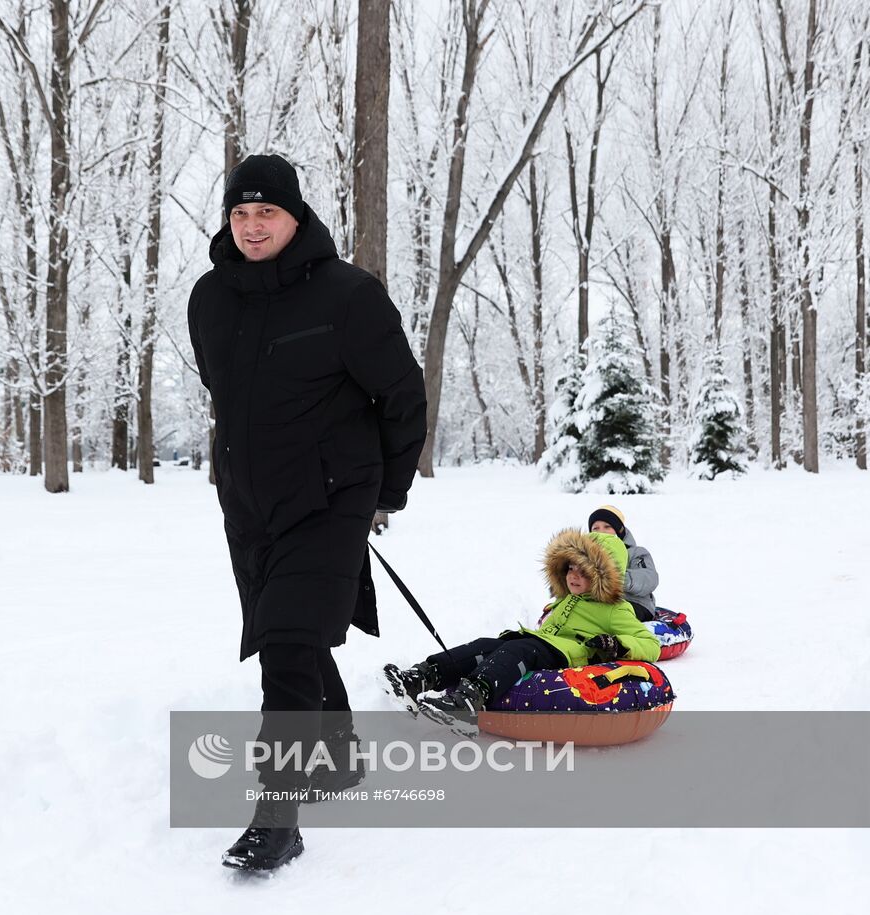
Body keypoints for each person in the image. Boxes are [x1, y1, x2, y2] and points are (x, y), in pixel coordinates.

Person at [188, 154, 427, 871]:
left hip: (332, 496)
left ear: (297, 217)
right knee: (284, 629)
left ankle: (276, 814)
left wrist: (386, 488)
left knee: (290, 636)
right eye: (241, 213)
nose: (253, 226)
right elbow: (228, 398)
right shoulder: (209, 299)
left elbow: (403, 395)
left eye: (267, 213)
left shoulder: (348, 295)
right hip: (250, 500)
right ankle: (336, 750)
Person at [387, 529, 661, 714]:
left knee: (520, 650)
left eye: (585, 571)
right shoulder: (568, 597)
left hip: (568, 653)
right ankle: (422, 676)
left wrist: (617, 644)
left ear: (605, 576)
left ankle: (471, 699)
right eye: (571, 568)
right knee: (486, 646)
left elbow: (651, 645)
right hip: (543, 642)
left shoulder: (616, 609)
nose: (574, 576)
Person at [588, 504, 660, 622]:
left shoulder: (635, 553)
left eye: (607, 527)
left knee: (609, 615)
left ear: (619, 531)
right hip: (598, 603)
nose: (601, 531)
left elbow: (649, 578)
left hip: (634, 603)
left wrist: (615, 579)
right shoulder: (584, 555)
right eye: (595, 528)